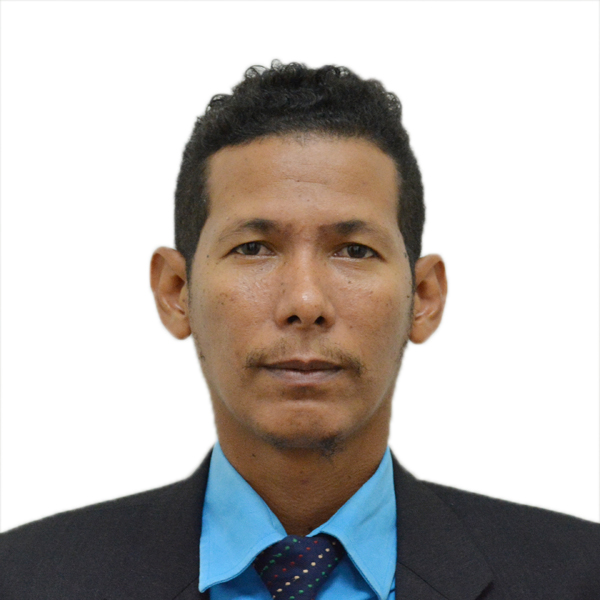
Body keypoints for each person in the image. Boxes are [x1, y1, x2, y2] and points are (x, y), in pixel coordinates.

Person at [0, 61, 598, 599]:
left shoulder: (579, 576)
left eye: (355, 250)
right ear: (177, 292)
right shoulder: (24, 579)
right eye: (254, 247)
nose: (305, 302)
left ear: (424, 297)